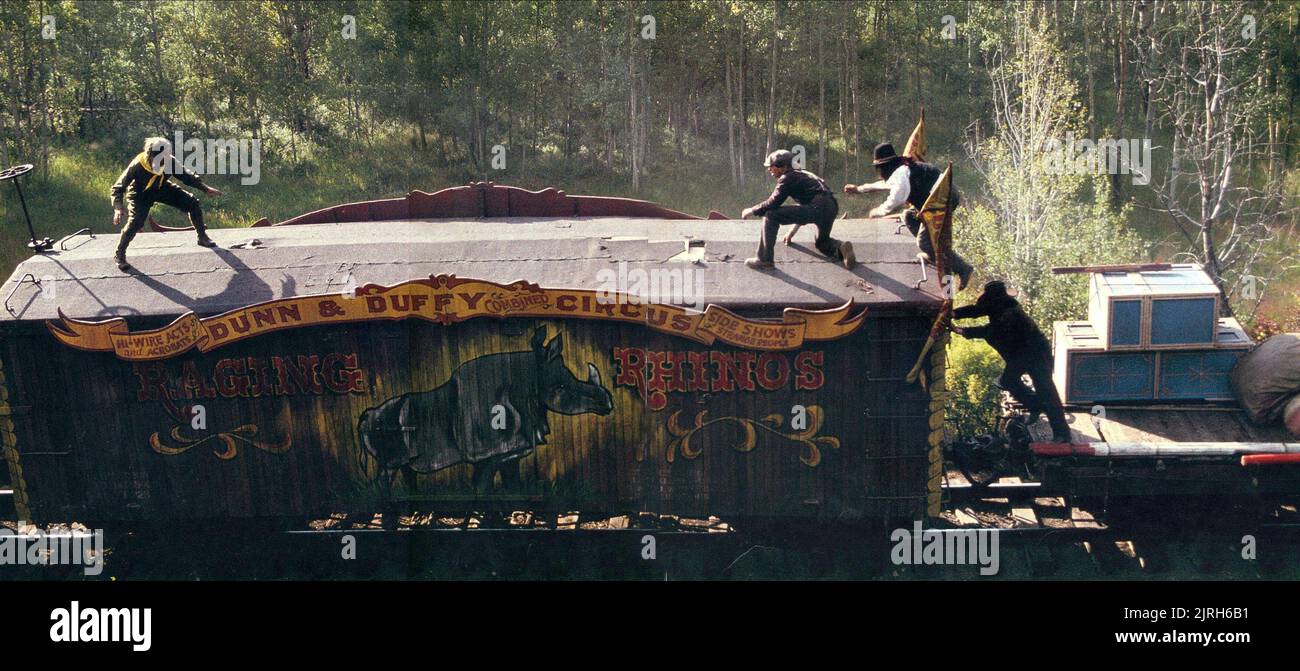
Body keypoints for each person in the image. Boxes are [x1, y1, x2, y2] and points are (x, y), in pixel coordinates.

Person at [951, 280, 1072, 443]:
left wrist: (961, 330)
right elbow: (976, 310)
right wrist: (953, 314)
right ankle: (1035, 405)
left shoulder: (1011, 313)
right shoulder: (1000, 305)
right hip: (1021, 355)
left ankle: (1062, 434)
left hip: (1037, 355)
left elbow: (990, 331)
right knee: (1008, 380)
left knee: (1047, 392)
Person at [842, 142, 974, 290]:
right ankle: (933, 253)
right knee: (909, 216)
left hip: (941, 201)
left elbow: (896, 198)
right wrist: (859, 189)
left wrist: (878, 211)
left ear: (885, 166)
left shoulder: (901, 175)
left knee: (924, 243)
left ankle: (962, 268)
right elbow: (885, 185)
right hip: (935, 200)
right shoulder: (901, 171)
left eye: (879, 168)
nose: (878, 172)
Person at [111, 137, 223, 272]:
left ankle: (202, 237)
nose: (164, 161)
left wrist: (205, 189)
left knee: (192, 203)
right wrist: (118, 208)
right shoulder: (138, 165)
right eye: (161, 158)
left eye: (166, 157)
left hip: (162, 188)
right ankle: (119, 254)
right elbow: (118, 187)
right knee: (136, 222)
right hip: (140, 193)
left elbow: (186, 176)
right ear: (150, 155)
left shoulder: (170, 161)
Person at [740, 150, 855, 270]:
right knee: (822, 243)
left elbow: (773, 202)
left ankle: (764, 260)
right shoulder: (803, 175)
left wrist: (752, 210)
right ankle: (841, 247)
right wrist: (792, 232)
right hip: (831, 206)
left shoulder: (787, 177)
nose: (769, 170)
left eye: (771, 167)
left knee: (770, 215)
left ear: (783, 167)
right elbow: (802, 210)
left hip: (817, 207)